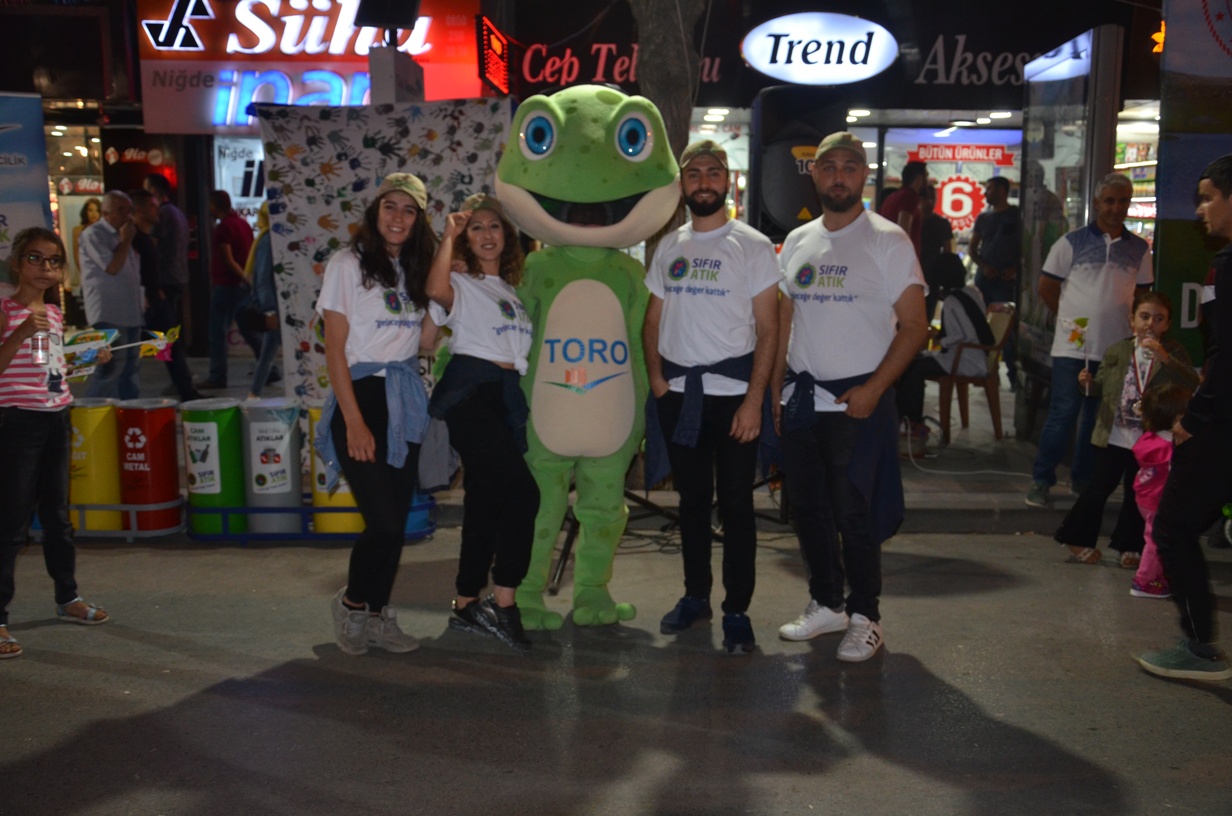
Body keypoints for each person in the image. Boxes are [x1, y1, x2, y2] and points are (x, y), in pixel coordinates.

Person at [772, 132, 928, 662]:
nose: (839, 176)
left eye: (850, 167)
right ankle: (826, 603)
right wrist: (773, 392)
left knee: (854, 513)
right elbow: (783, 323)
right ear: (813, 173)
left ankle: (866, 615)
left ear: (865, 175)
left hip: (857, 402)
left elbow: (914, 327)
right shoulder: (796, 241)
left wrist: (873, 390)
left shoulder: (888, 240)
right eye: (829, 167)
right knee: (808, 509)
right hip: (801, 399)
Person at [643, 140, 780, 655]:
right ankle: (696, 596)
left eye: (712, 172)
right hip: (680, 397)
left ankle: (737, 610)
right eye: (693, 172)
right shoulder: (668, 246)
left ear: (727, 181)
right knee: (693, 505)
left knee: (739, 507)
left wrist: (753, 400)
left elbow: (769, 329)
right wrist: (658, 380)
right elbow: (652, 321)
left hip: (732, 399)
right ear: (682, 184)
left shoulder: (752, 245)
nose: (703, 180)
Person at [314, 173, 439, 656]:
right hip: (362, 397)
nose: (398, 218)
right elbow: (335, 352)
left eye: (409, 211)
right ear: (375, 211)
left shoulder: (416, 268)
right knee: (384, 522)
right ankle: (351, 604)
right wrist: (354, 421)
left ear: (419, 220)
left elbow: (425, 343)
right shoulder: (348, 264)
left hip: (405, 398)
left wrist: (441, 303)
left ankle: (379, 615)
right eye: (391, 207)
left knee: (398, 523)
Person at [426, 193, 538, 651]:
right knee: (524, 494)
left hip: (504, 396)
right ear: (465, 238)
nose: (487, 235)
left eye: (494, 227)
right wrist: (448, 239)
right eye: (477, 228)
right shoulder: (459, 282)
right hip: (471, 392)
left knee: (485, 504)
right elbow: (433, 296)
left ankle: (467, 601)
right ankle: (504, 604)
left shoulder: (509, 292)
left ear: (506, 237)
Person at [1136, 155, 1232, 682]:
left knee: (1172, 526)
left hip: (1221, 423)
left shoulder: (1227, 268)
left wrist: (1196, 416)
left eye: (1208, 196)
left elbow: (1227, 357)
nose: (1201, 209)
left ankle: (1200, 649)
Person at [1, 228, 113, 660]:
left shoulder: (53, 314)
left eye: (53, 261)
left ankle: (68, 597)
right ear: (17, 263)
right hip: (18, 425)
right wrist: (18, 333)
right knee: (10, 525)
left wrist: (89, 358)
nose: (45, 268)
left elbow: (54, 374)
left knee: (58, 519)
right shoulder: (7, 310)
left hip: (57, 419)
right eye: (35, 258)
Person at [1027, 173, 1153, 507]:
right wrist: (1070, 321)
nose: (1116, 208)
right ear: (1097, 203)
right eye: (1109, 200)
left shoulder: (1139, 249)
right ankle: (1042, 479)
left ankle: (1082, 480)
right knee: (1064, 413)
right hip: (1073, 347)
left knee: (1098, 420)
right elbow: (1046, 288)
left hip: (1115, 349)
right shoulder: (1071, 243)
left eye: (1123, 200)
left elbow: (1142, 297)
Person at [1052, 291, 1197, 566]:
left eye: (1159, 318)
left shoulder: (1174, 352)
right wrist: (1087, 383)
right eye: (1144, 317)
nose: (1150, 324)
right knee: (1099, 487)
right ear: (1132, 320)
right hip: (1114, 435)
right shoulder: (1118, 350)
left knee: (1138, 491)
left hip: (1149, 438)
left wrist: (1165, 358)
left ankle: (1129, 545)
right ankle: (1076, 537)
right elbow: (1101, 386)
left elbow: (1190, 382)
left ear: (1167, 324)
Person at [895, 271, 991, 453]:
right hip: (971, 355)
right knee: (915, 361)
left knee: (915, 368)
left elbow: (965, 335)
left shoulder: (951, 301)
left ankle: (910, 421)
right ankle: (906, 417)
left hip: (965, 358)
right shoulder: (971, 292)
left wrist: (941, 341)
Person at [78, 190, 144, 400]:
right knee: (110, 370)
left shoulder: (123, 235)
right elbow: (112, 267)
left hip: (131, 311)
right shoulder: (94, 234)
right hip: (109, 313)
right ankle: (90, 415)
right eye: (121, 210)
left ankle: (127, 415)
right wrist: (126, 241)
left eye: (130, 210)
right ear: (106, 212)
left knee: (130, 370)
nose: (128, 215)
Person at [1130, 383, 1192, 600]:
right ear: (1177, 416)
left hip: (1145, 499)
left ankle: (1156, 577)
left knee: (1154, 538)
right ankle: (1144, 581)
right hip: (1159, 502)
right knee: (1155, 542)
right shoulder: (1171, 448)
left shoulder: (1150, 438)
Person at [142, 174, 200, 402]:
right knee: (167, 338)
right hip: (173, 279)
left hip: (164, 282)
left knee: (165, 339)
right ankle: (182, 383)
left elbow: (154, 249)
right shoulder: (176, 213)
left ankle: (182, 385)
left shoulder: (164, 214)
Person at [197, 190, 261, 390]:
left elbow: (227, 258)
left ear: (215, 205)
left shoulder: (224, 228)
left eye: (210, 205)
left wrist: (243, 276)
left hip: (227, 286)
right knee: (249, 330)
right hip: (243, 288)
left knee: (217, 332)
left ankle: (217, 376)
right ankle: (269, 369)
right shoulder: (242, 224)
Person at [968, 176, 1021, 385]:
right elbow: (973, 248)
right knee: (982, 327)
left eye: (989, 189)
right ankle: (985, 374)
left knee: (1006, 330)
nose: (985, 193)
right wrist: (983, 266)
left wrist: (1015, 269)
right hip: (985, 280)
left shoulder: (1017, 216)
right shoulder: (983, 218)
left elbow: (1025, 248)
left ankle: (1013, 377)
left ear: (1002, 190)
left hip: (1006, 282)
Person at [246, 203, 282, 399]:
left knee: (268, 351)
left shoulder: (270, 238)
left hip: (277, 305)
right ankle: (253, 394)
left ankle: (253, 394)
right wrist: (269, 311)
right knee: (269, 350)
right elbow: (262, 279)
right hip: (276, 306)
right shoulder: (269, 240)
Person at [919, 185, 955, 320]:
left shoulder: (941, 223)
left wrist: (944, 281)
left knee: (927, 316)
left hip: (932, 277)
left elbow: (947, 253)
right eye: (926, 198)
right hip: (916, 276)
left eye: (932, 198)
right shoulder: (912, 221)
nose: (930, 201)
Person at [878, 160, 928, 257]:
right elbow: (903, 230)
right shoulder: (910, 197)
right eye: (926, 176)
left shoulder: (892, 197)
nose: (927, 181)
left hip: (886, 255)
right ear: (919, 178)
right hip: (901, 260)